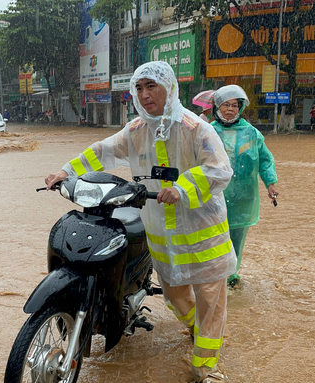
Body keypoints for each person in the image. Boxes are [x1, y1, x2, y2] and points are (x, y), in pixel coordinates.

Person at [44, 61, 236, 383]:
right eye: (139, 88)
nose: (145, 95)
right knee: (176, 298)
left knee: (211, 304)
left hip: (205, 236)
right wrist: (67, 171)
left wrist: (182, 188)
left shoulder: (195, 128)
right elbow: (102, 151)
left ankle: (206, 369)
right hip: (162, 238)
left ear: (169, 88)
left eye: (152, 86)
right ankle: (194, 328)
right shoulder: (135, 131)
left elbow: (219, 169)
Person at [210, 85, 279, 288]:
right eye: (226, 104)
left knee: (236, 239)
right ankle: (214, 274)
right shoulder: (207, 131)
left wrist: (271, 183)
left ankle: (231, 275)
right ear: (217, 107)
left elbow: (265, 160)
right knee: (213, 237)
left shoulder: (252, 133)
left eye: (234, 105)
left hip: (242, 198)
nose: (230, 109)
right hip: (214, 195)